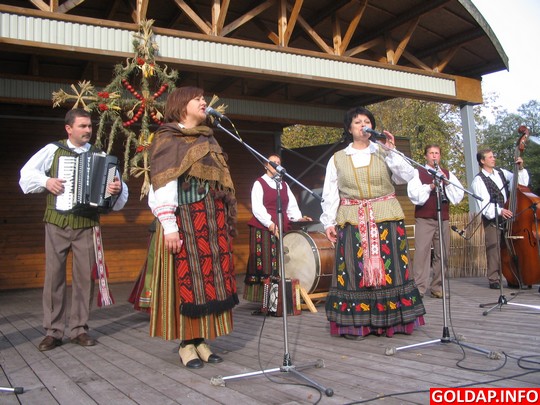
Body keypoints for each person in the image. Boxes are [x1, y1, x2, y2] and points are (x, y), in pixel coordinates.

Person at [138, 86, 238, 369]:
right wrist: (169, 225)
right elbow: (162, 183)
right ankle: (186, 344)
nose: (204, 102)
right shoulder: (168, 138)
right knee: (188, 283)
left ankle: (202, 340)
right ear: (182, 106)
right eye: (198, 99)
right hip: (185, 219)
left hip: (211, 221)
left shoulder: (209, 137)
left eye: (204, 98)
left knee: (210, 282)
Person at [19, 108, 128, 351]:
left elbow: (119, 191)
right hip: (57, 222)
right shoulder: (53, 150)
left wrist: (116, 189)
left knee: (84, 279)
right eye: (83, 126)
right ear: (69, 128)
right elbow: (26, 175)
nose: (88, 130)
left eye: (89, 126)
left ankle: (79, 329)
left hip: (87, 225)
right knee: (53, 278)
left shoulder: (101, 156)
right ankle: (53, 331)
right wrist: (46, 181)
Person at [320, 106, 425, 339]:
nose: (363, 125)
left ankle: (392, 321)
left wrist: (392, 151)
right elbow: (330, 193)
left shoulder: (383, 152)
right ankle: (357, 324)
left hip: (385, 218)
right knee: (353, 271)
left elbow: (407, 176)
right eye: (357, 122)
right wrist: (328, 222)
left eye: (367, 121)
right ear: (349, 129)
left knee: (391, 270)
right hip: (352, 219)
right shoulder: (338, 158)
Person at [243, 154, 312, 303]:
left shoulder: (284, 185)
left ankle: (280, 298)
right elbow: (257, 208)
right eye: (273, 163)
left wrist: (299, 218)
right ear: (266, 166)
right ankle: (265, 299)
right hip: (264, 228)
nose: (276, 165)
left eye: (278, 163)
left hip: (282, 227)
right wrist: (269, 224)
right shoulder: (259, 183)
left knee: (283, 261)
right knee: (267, 262)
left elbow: (291, 206)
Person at [407, 144, 464, 298]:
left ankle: (437, 287)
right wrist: (431, 185)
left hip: (442, 218)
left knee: (442, 253)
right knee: (422, 253)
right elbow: (414, 196)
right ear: (426, 156)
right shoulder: (418, 172)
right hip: (424, 219)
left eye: (437, 153)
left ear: (440, 156)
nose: (434, 156)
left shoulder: (447, 173)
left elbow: (458, 196)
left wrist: (446, 182)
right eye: (431, 153)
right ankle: (419, 288)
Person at [470, 148, 529, 289]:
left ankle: (514, 276)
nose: (493, 159)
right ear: (482, 161)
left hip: (509, 216)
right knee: (494, 247)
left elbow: (520, 183)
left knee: (511, 247)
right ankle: (494, 279)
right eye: (490, 157)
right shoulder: (478, 180)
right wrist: (500, 210)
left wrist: (520, 169)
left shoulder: (501, 172)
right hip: (493, 218)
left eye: (493, 156)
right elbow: (484, 205)